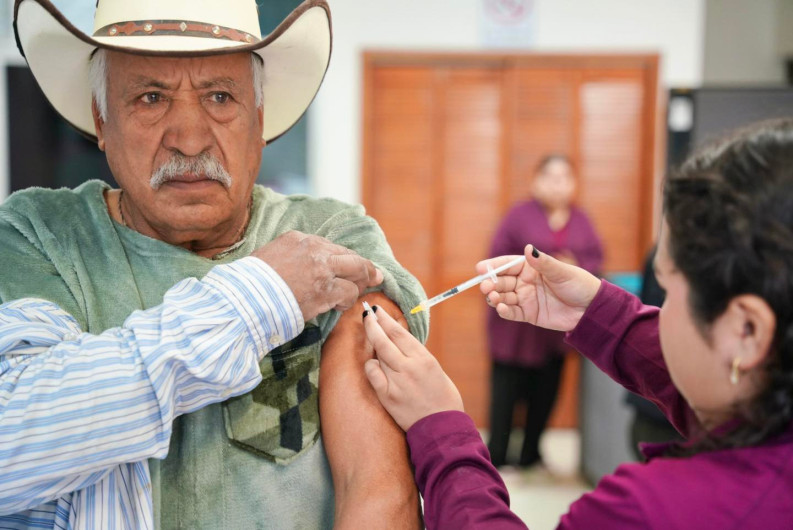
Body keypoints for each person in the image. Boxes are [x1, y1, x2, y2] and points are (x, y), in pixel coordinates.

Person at [1, 0, 428, 528]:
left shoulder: (330, 239)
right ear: (101, 122)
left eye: (220, 96)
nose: (189, 138)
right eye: (151, 97)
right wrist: (258, 298)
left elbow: (378, 492)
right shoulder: (36, 235)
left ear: (259, 121)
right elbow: (14, 438)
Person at [361, 118, 793, 529]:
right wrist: (596, 310)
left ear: (748, 330)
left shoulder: (647, 513)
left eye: (666, 291)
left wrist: (441, 428)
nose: (659, 313)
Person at [486, 154, 603, 469]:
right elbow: (497, 256)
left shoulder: (581, 220)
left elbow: (595, 261)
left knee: (546, 391)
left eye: (564, 177)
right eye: (550, 177)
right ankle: (497, 454)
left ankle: (530, 454)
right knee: (507, 391)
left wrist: (574, 268)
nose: (557, 184)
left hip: (556, 326)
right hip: (517, 322)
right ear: (536, 181)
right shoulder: (518, 216)